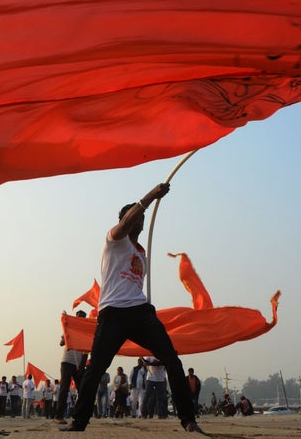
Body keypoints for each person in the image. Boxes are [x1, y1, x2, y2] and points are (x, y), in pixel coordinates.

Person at [61, 183, 203, 433]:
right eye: (138, 216)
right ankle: (78, 421)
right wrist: (151, 196)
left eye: (142, 218)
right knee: (95, 369)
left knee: (171, 359)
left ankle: (189, 420)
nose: (141, 221)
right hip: (113, 313)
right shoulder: (114, 239)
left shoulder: (141, 253)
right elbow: (127, 222)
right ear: (129, 218)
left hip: (140, 313)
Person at [54, 310, 89, 424]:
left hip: (78, 364)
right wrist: (67, 331)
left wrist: (81, 367)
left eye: (82, 317)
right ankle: (59, 416)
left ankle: (81, 416)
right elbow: (61, 343)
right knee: (64, 389)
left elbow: (86, 352)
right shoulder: (69, 328)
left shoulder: (85, 332)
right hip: (67, 362)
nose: (80, 319)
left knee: (82, 390)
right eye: (79, 317)